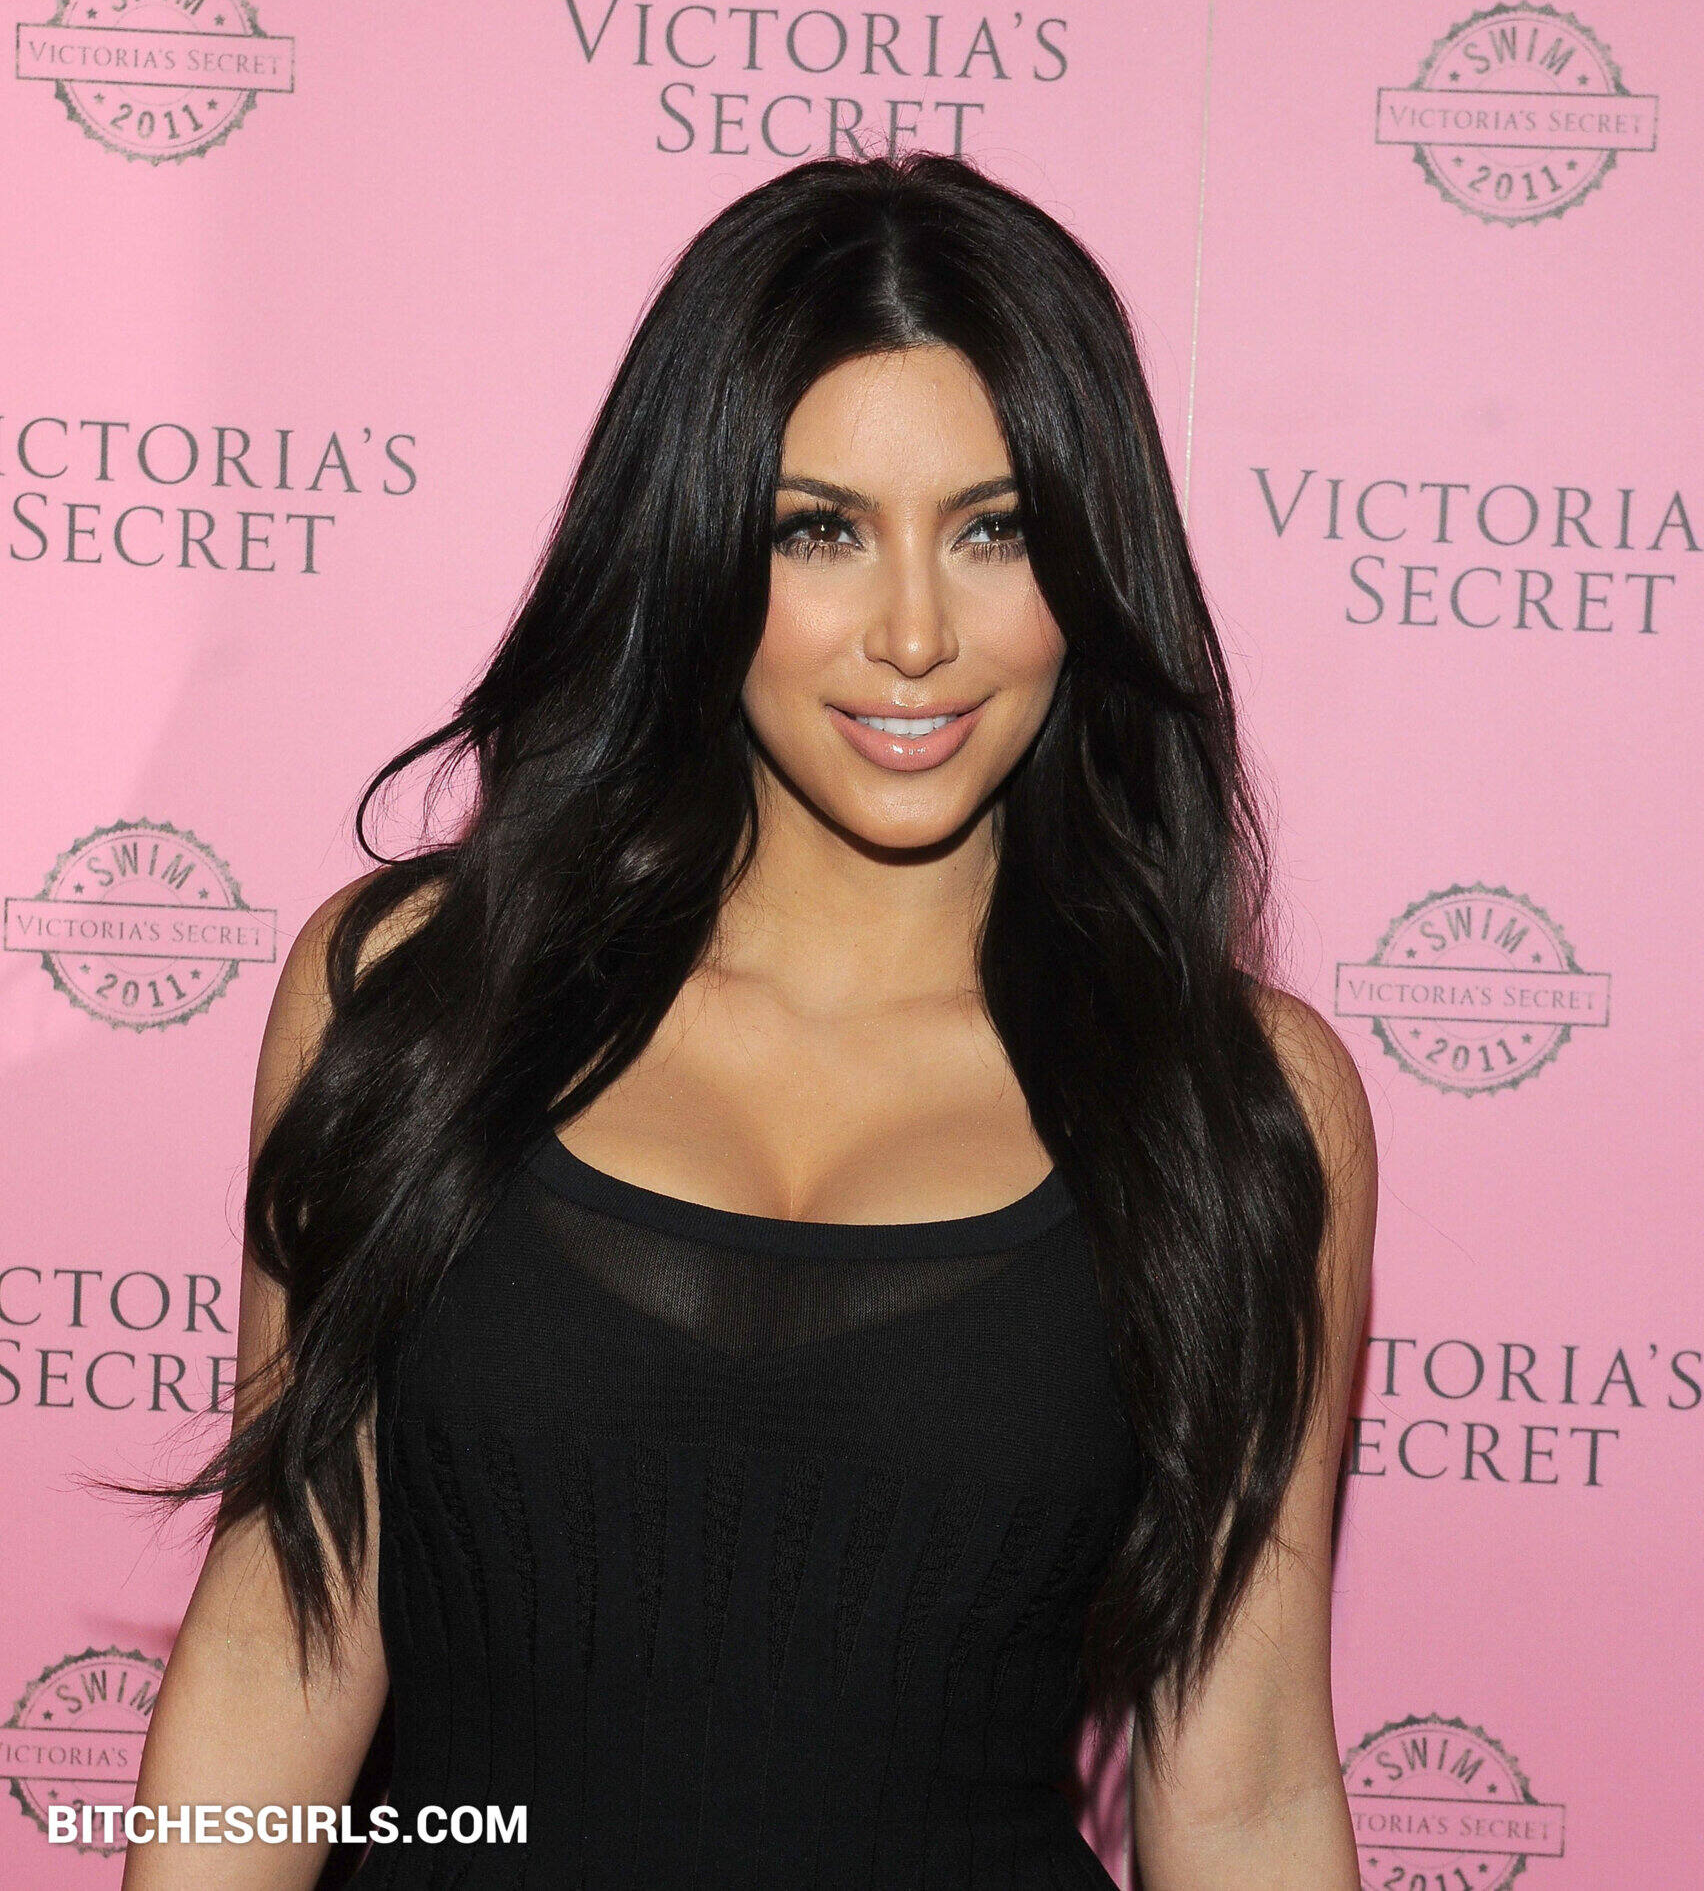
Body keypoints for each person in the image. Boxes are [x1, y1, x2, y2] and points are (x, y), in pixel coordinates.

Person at [115, 150, 1376, 1890]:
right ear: (700, 542)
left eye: (996, 529)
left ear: (1092, 564)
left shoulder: (1236, 1103)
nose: (915, 634)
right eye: (820, 530)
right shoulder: (410, 999)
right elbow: (279, 1646)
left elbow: (1242, 1789)